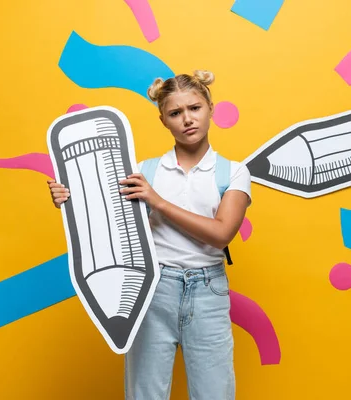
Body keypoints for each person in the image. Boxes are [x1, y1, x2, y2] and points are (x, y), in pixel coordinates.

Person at [47, 70, 252, 400]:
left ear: (211, 108)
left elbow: (221, 234)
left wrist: (157, 201)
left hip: (209, 292)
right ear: (163, 120)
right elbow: (105, 218)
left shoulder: (234, 172)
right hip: (154, 288)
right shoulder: (143, 171)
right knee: (145, 393)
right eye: (175, 113)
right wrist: (69, 201)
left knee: (216, 393)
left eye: (195, 108)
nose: (187, 119)